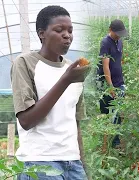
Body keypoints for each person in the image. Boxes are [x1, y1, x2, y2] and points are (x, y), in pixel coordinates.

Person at [11, 5, 90, 180]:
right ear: (42, 33)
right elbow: (26, 120)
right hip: (41, 163)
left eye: (70, 30)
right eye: (59, 30)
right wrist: (65, 80)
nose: (67, 35)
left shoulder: (74, 69)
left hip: (73, 163)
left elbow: (74, 121)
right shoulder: (25, 63)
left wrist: (82, 164)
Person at [97, 19, 127, 148]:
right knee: (107, 111)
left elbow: (120, 59)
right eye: (117, 33)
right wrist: (110, 87)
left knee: (117, 111)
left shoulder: (119, 41)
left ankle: (115, 141)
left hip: (119, 81)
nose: (119, 35)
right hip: (107, 84)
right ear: (110, 30)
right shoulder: (105, 43)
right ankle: (105, 141)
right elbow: (105, 66)